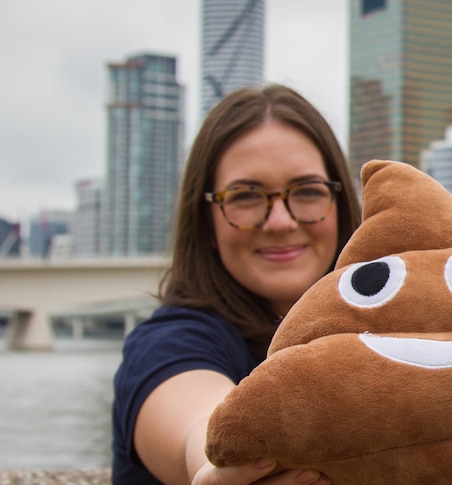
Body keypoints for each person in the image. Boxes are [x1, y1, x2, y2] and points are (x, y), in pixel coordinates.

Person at [112, 84, 361, 485]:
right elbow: (196, 424)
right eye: (245, 195)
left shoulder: (382, 334)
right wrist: (222, 460)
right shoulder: (171, 341)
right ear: (207, 221)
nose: (280, 221)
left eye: (309, 191)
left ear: (341, 206)